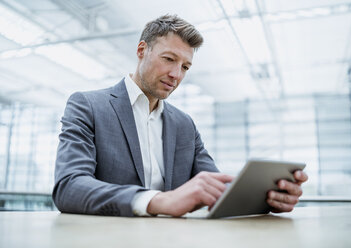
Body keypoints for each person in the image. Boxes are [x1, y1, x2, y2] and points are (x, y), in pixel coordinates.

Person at [53, 14, 308, 217]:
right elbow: (69, 187)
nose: (177, 74)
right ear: (142, 50)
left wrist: (266, 197)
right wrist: (158, 201)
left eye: (185, 66)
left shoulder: (184, 124)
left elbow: (215, 187)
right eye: (169, 59)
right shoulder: (88, 105)